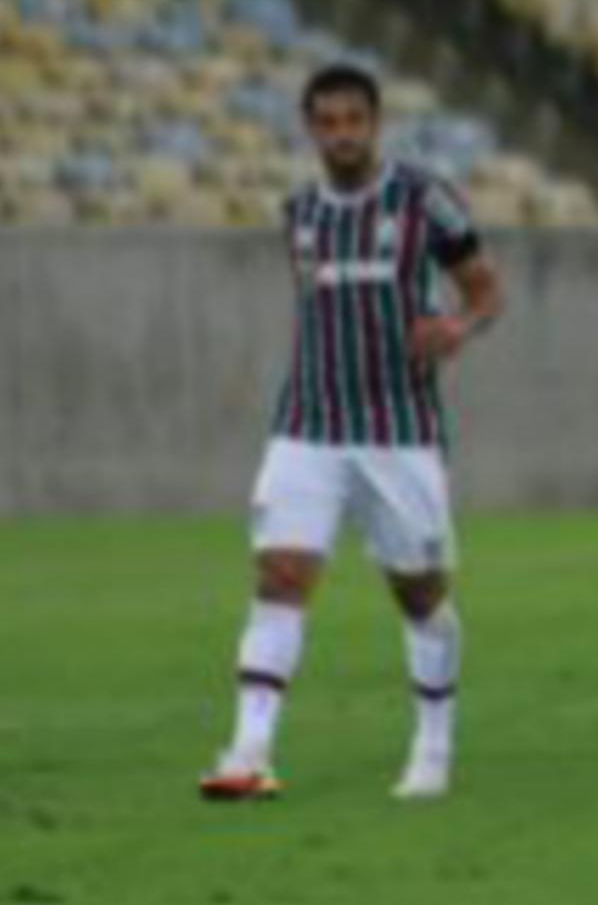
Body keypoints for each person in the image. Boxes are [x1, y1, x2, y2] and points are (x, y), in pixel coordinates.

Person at [199, 63, 502, 802]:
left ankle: (433, 746)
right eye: (326, 122)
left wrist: (457, 327)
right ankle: (249, 750)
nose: (341, 135)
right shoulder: (298, 211)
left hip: (398, 430)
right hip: (308, 424)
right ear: (310, 129)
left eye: (353, 121)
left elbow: (486, 290)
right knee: (281, 574)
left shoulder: (424, 199)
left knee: (419, 592)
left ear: (375, 123)